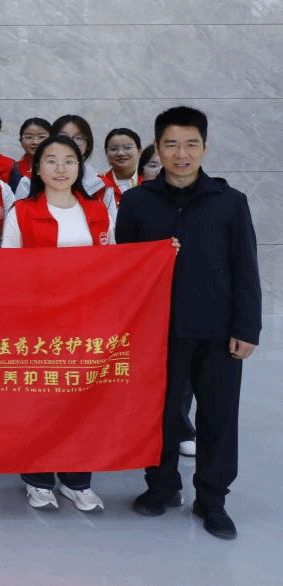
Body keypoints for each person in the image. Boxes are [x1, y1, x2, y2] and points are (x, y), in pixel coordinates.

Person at [117, 106, 261, 541]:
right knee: (158, 414)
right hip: (157, 331)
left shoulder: (230, 201)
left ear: (205, 147)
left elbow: (246, 267)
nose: (182, 154)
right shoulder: (137, 201)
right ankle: (161, 487)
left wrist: (247, 328)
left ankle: (212, 499)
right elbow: (123, 267)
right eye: (172, 144)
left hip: (217, 330)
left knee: (219, 416)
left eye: (191, 144)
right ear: (157, 148)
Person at [2, 134, 113, 514]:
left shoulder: (96, 210)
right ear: (36, 168)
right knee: (38, 402)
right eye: (51, 160)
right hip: (37, 324)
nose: (60, 168)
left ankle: (77, 480)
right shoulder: (21, 211)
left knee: (83, 401)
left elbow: (113, 264)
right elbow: (8, 270)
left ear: (80, 167)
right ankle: (37, 479)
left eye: (69, 160)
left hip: (86, 322)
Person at [101, 127, 142, 205]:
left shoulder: (150, 180)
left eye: (127, 148)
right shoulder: (99, 185)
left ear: (139, 152)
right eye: (114, 149)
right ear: (106, 154)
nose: (121, 153)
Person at [15, 117, 51, 181]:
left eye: (41, 137)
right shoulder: (13, 169)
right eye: (29, 137)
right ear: (21, 141)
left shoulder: (61, 168)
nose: (35, 142)